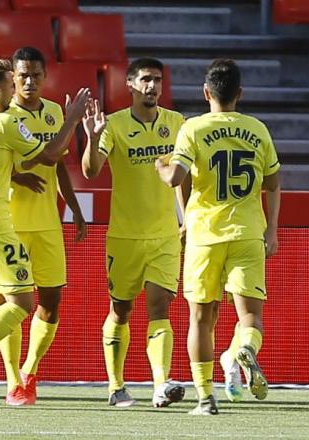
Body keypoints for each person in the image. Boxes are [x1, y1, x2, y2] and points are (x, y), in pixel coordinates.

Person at [0, 58, 90, 404]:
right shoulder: (5, 122)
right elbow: (53, 155)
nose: (14, 90)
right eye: (10, 85)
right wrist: (73, 118)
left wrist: (16, 174)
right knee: (22, 302)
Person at [156, 58, 281, 415]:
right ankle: (246, 349)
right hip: (247, 233)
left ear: (206, 92)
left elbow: (175, 179)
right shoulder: (257, 129)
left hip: (204, 235)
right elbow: (273, 183)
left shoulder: (192, 128)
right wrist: (271, 229)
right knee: (250, 319)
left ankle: (205, 397)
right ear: (239, 94)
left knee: (200, 318)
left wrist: (162, 166)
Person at [81, 58, 186, 408]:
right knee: (121, 310)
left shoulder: (177, 124)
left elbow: (184, 176)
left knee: (160, 306)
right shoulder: (112, 125)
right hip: (124, 236)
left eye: (157, 80)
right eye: (145, 80)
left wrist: (185, 219)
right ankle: (116, 386)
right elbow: (92, 171)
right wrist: (91, 138)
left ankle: (161, 384)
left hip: (164, 235)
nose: (152, 86)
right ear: (130, 84)